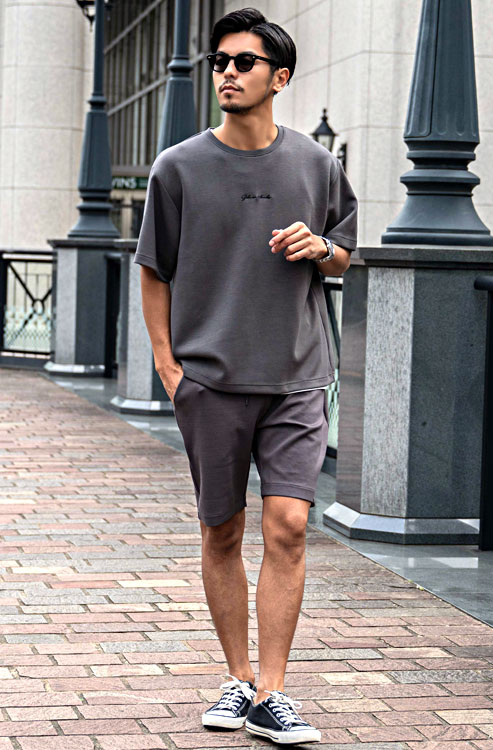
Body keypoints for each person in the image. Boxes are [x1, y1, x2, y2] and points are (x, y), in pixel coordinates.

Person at [135, 6, 358, 745]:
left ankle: (272, 692)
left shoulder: (317, 165)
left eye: (244, 62)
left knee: (288, 526)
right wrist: (169, 367)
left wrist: (319, 246)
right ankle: (237, 679)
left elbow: (344, 254)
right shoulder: (177, 167)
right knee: (223, 529)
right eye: (220, 62)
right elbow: (154, 270)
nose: (227, 73)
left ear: (279, 77)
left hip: (296, 375)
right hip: (211, 381)